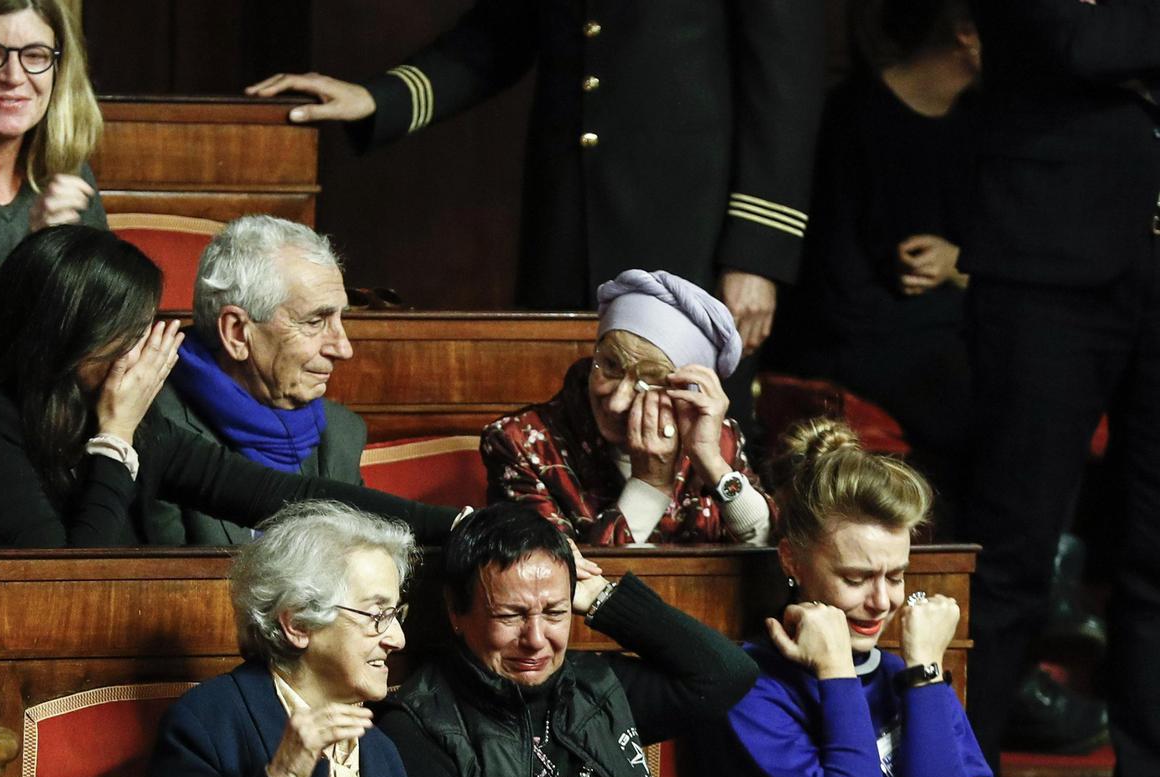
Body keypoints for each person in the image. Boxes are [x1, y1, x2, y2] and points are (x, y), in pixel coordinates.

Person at [242, 1, 824, 351]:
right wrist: (377, 97)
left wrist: (757, 252)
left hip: (689, 237)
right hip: (568, 230)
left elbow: (785, 80)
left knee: (682, 440)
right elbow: (498, 34)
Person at [959, 2, 1160, 777]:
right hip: (1046, 261)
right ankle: (957, 769)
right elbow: (1076, 39)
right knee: (1011, 548)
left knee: (1157, 551)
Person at [0, 225, 459, 547]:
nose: (147, 352)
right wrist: (114, 441)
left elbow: (289, 498)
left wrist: (459, 524)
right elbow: (64, 588)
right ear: (70, 341)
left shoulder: (141, 428)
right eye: (129, 336)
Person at [771, 0, 980, 537]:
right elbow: (830, 291)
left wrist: (959, 266)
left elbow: (988, 250)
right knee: (991, 395)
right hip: (851, 336)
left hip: (946, 328)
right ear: (965, 35)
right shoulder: (849, 119)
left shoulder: (977, 126)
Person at [375, 502, 760, 777]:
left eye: (556, 612)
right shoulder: (419, 728)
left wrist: (598, 596)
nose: (537, 640)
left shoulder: (598, 685)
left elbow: (727, 673)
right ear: (456, 611)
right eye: (511, 616)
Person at [715, 418, 991, 777]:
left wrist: (925, 672)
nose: (881, 602)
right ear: (791, 560)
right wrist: (837, 673)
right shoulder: (751, 688)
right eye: (855, 579)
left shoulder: (908, 673)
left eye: (895, 577)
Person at [482, 269, 774, 546]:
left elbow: (773, 554)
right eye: (609, 366)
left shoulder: (713, 437)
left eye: (649, 383)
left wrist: (714, 467)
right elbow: (562, 585)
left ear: (686, 392)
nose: (618, 401)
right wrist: (650, 485)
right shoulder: (521, 443)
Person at [148, 500, 415, 777]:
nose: (397, 640)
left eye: (395, 614)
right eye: (377, 616)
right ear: (298, 624)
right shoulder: (205, 724)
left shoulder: (381, 750)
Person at [150, 216, 367, 544]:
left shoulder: (341, 435)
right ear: (237, 332)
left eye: (340, 318)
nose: (343, 348)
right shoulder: (153, 427)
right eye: (315, 321)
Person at [0, 0, 106, 265]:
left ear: (58, 69)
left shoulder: (68, 171)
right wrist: (40, 245)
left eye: (35, 55)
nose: (13, 76)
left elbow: (97, 302)